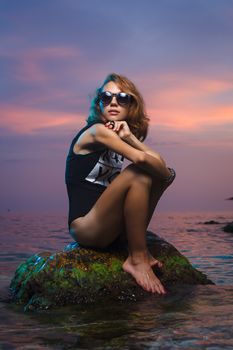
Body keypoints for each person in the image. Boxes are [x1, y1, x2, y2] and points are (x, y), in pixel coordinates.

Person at [65, 73, 176, 295]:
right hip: (86, 227)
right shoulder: (97, 132)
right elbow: (145, 161)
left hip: (109, 227)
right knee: (139, 172)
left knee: (147, 173)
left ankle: (136, 250)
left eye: (122, 98)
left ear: (131, 106)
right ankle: (137, 258)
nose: (113, 102)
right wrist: (167, 176)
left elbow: (158, 165)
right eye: (106, 97)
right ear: (99, 104)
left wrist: (131, 138)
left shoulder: (117, 136)